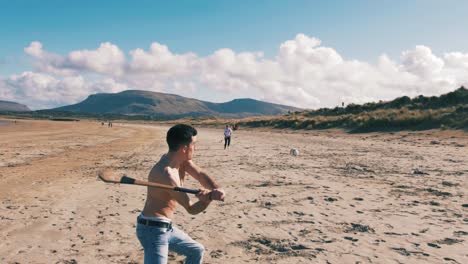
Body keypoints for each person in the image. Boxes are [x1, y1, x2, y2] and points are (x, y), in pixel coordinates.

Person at [137, 124, 226, 264]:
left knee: (196, 251)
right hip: (152, 230)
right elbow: (191, 208)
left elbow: (201, 175)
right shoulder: (166, 174)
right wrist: (206, 199)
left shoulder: (181, 161)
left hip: (166, 228)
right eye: (194, 145)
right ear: (184, 148)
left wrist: (217, 189)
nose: (195, 148)